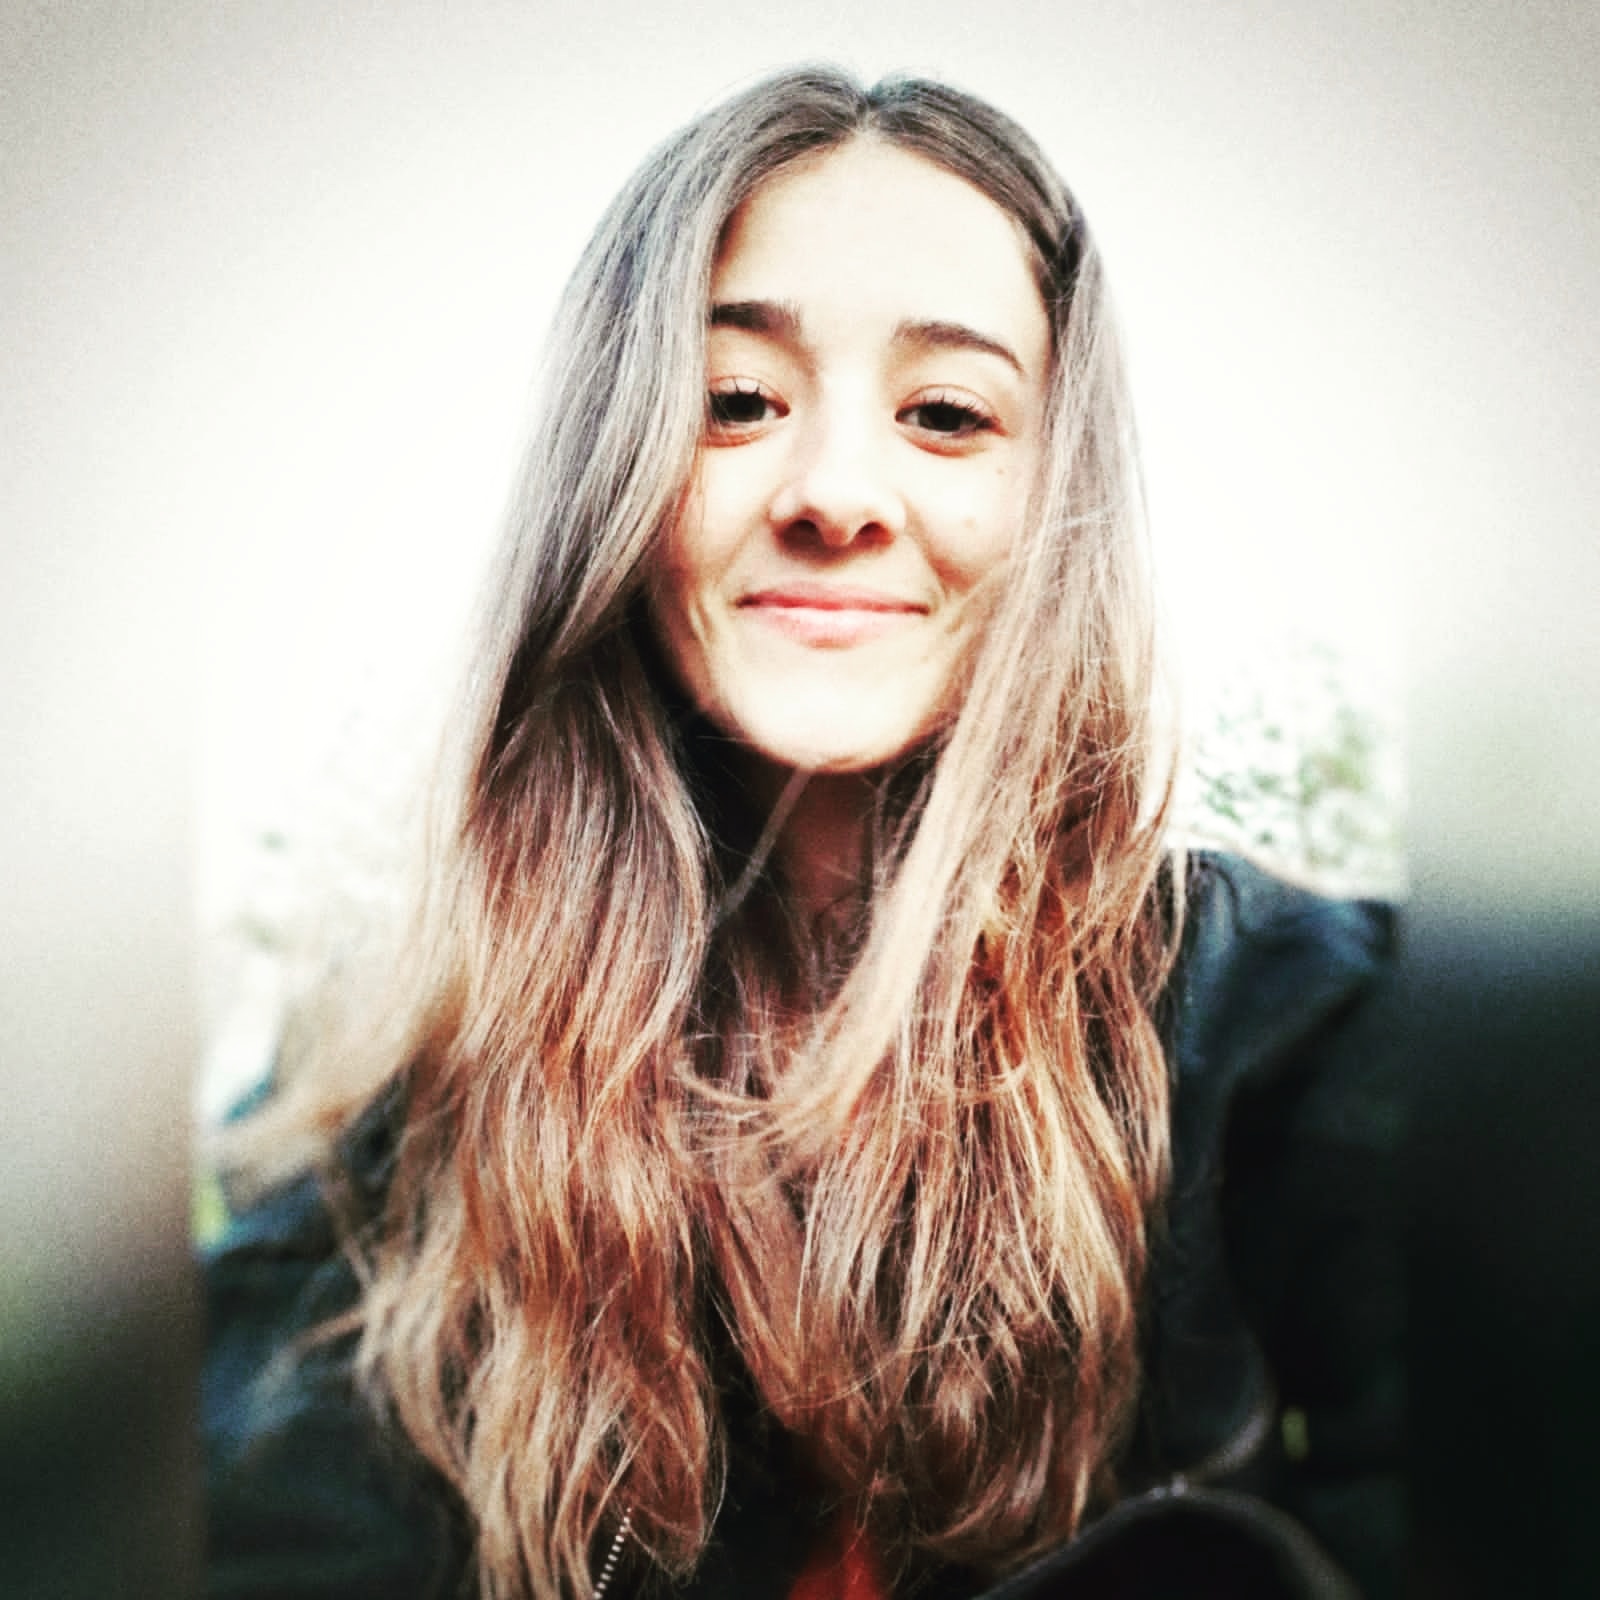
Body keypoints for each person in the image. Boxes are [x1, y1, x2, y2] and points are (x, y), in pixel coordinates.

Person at [203, 67, 1400, 1600]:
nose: (836, 493)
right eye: (736, 403)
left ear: (1056, 498)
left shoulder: (1295, 1026)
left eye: (947, 415)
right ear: (615, 479)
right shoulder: (386, 1130)